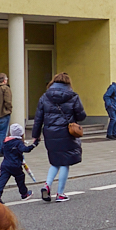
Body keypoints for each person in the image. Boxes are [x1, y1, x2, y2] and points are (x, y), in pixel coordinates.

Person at [32, 73, 86, 203]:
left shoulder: (45, 96)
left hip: (50, 132)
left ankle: (47, 185)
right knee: (65, 163)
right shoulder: (73, 96)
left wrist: (35, 135)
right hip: (66, 132)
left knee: (55, 161)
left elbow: (38, 118)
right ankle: (60, 193)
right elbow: (81, 116)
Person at [0, 124, 35, 203]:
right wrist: (33, 145)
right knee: (20, 178)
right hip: (15, 165)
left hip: (5, 164)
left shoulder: (6, 141)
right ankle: (24, 194)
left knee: (2, 180)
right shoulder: (18, 142)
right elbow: (25, 149)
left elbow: (2, 151)